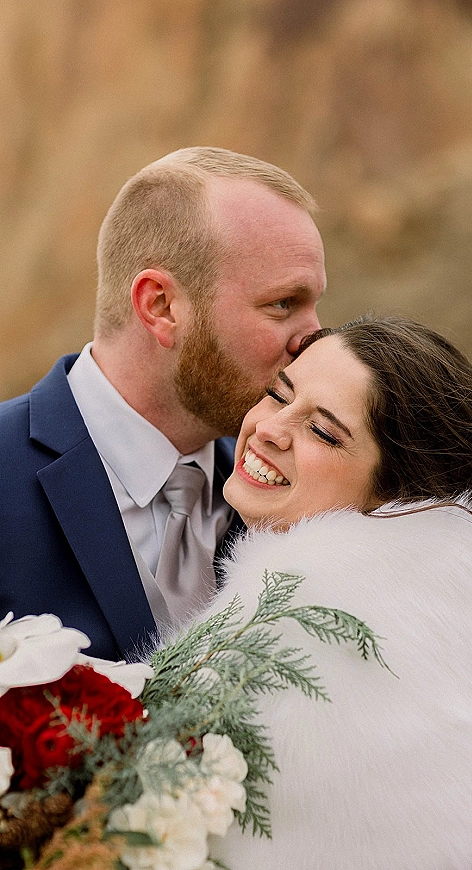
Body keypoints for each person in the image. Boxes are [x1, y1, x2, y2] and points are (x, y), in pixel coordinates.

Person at [195, 315, 472, 870]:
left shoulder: (315, 633)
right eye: (276, 395)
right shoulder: (455, 632)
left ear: (397, 496)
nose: (269, 428)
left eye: (324, 432)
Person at [0, 147, 325, 661]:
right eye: (283, 303)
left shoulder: (297, 490)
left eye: (314, 305)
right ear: (161, 306)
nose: (315, 339)